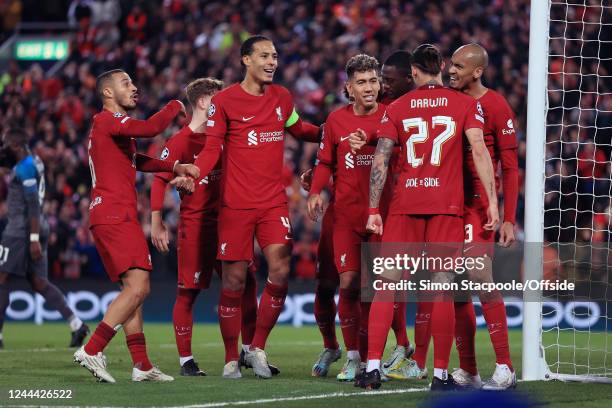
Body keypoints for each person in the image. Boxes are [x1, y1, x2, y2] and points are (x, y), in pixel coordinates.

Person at [358, 44, 499, 391]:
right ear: (441, 68)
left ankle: (373, 367)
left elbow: (381, 158)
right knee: (440, 289)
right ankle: (439, 375)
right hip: (446, 206)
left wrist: (374, 209)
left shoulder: (398, 107)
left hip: (404, 204)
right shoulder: (466, 104)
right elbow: (479, 150)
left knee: (387, 285)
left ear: (415, 72)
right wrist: (493, 203)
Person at [193, 35, 320, 379]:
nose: (272, 61)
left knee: (280, 268)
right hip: (235, 205)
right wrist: (194, 173)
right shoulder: (224, 102)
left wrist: (334, 131)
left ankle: (257, 348)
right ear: (245, 60)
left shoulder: (282, 97)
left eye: (275, 56)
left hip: (272, 203)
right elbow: (210, 150)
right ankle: (232, 357)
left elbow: (301, 129)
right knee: (234, 281)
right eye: (264, 55)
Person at [73, 69, 199, 383]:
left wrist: (173, 166)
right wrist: (173, 106)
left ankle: (141, 364)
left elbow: (136, 160)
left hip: (109, 215)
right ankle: (92, 348)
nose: (134, 87)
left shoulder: (112, 129)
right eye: (125, 83)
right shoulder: (107, 119)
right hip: (115, 215)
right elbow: (151, 127)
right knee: (140, 287)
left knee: (133, 291)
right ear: (107, 93)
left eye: (133, 81)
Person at [308, 54, 392, 382]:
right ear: (349, 87)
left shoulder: (391, 116)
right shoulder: (335, 122)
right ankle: (354, 356)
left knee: (377, 287)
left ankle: (375, 358)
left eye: (373, 80)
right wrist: (316, 191)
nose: (369, 87)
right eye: (362, 82)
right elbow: (325, 163)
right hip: (345, 215)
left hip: (383, 216)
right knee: (348, 283)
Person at [446, 43, 519, 390]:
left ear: (477, 71)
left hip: (479, 207)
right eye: (450, 64)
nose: (451, 70)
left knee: (480, 279)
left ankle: (505, 367)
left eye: (459, 66)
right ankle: (469, 370)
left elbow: (509, 166)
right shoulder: (449, 100)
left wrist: (508, 217)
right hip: (448, 206)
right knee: (457, 289)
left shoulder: (495, 105)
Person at [0, 127, 89, 350]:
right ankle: (76, 324)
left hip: (21, 231)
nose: (4, 149)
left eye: (7, 145)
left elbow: (30, 202)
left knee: (0, 281)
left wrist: (32, 239)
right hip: (40, 225)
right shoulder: (34, 161)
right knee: (39, 282)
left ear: (17, 147)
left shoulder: (25, 167)